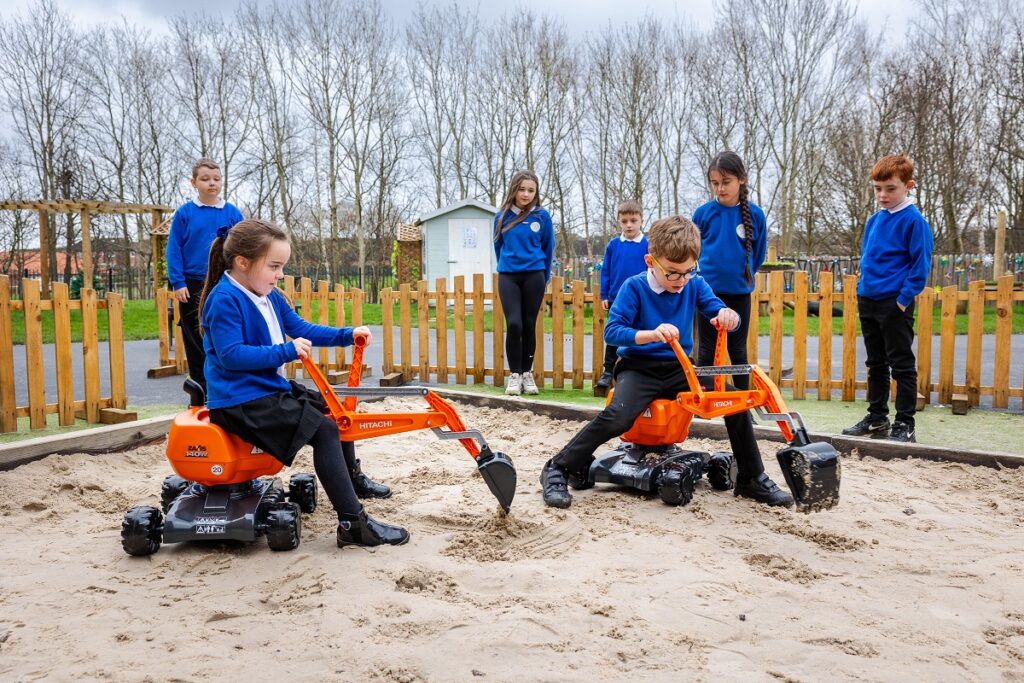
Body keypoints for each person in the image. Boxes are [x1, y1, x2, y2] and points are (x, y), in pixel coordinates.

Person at [540, 215, 793, 509]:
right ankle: (558, 467)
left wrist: (729, 316)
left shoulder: (694, 285)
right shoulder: (634, 288)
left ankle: (751, 478)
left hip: (680, 369)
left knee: (733, 398)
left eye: (687, 272)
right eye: (673, 273)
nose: (681, 280)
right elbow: (613, 331)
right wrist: (650, 334)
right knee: (618, 416)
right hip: (639, 368)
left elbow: (719, 309)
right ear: (651, 261)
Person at [200, 217, 408, 548]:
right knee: (324, 430)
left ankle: (350, 481)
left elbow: (302, 328)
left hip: (265, 390)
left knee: (334, 412)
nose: (280, 274)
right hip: (240, 401)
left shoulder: (267, 294)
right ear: (242, 262)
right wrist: (285, 351)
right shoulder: (225, 299)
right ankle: (353, 524)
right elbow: (231, 357)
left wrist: (347, 335)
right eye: (274, 266)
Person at [842, 154, 933, 443]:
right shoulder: (874, 221)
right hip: (868, 300)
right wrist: (861, 290)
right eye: (877, 188)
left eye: (890, 188)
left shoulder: (914, 221)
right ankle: (877, 418)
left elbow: (920, 267)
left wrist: (903, 299)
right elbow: (869, 258)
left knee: (901, 364)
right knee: (875, 363)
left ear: (908, 186)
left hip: (895, 303)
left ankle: (905, 423)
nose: (883, 195)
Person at [166, 158, 244, 393]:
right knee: (194, 335)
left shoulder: (232, 213)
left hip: (223, 282)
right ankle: (201, 387)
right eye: (205, 179)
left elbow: (242, 247)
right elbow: (173, 249)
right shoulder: (184, 213)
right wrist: (178, 282)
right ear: (194, 182)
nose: (212, 184)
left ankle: (225, 384)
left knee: (222, 331)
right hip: (191, 283)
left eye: (217, 179)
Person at [692, 151, 767, 390]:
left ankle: (741, 407)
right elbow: (693, 251)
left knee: (737, 350)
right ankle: (705, 404)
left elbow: (759, 254)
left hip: (739, 293)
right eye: (715, 183)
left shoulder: (755, 215)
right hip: (707, 295)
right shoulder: (703, 214)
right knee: (706, 350)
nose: (720, 188)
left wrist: (739, 277)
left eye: (726, 182)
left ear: (741, 179)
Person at [493, 170, 554, 397]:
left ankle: (527, 374)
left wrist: (544, 276)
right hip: (509, 276)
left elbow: (548, 249)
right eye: (522, 189)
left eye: (531, 190)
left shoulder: (542, 217)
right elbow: (498, 247)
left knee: (529, 325)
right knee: (515, 324)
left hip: (534, 276)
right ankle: (514, 375)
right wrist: (507, 266)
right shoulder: (501, 217)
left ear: (536, 192)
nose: (526, 194)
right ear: (514, 190)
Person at [595, 199, 648, 392]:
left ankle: (637, 373)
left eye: (633, 220)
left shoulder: (647, 245)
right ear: (619, 221)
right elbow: (606, 271)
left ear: (641, 220)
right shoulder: (613, 245)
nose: (629, 225)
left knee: (639, 335)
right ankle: (608, 372)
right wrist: (604, 295)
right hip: (617, 298)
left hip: (642, 299)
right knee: (614, 335)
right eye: (624, 220)